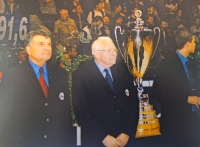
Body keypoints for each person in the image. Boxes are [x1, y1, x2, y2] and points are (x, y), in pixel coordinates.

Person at [0, 29, 74, 147]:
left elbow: (65, 114)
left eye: (49, 44)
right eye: (41, 44)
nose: (47, 48)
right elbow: (5, 116)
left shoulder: (60, 74)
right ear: (28, 49)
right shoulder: (13, 75)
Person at [72, 36, 139, 147]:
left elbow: (134, 104)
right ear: (97, 53)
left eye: (114, 50)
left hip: (123, 140)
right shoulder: (81, 75)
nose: (114, 54)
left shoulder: (124, 73)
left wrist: (127, 132)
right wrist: (103, 137)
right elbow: (81, 111)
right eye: (109, 50)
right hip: (97, 140)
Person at [152, 27, 200, 146]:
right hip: (175, 123)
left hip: (193, 120)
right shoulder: (167, 63)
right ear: (187, 43)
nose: (196, 45)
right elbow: (159, 92)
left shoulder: (192, 63)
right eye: (194, 42)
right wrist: (187, 99)